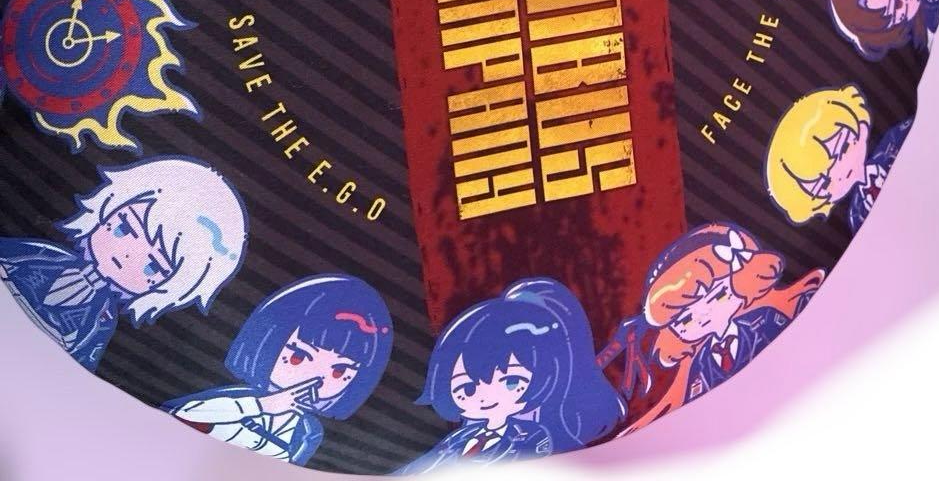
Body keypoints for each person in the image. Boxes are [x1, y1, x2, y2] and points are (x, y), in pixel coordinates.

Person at [0, 157, 248, 372]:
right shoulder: (48, 255)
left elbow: (85, 356)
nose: (127, 256)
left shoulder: (103, 318)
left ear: (166, 287)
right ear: (108, 207)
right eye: (123, 228)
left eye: (152, 266)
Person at [600, 224, 824, 432]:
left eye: (718, 295)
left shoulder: (769, 319)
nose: (702, 315)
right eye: (684, 320)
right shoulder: (697, 369)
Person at [164, 275, 393, 466]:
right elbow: (185, 414)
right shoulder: (240, 398)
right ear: (268, 341)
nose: (315, 379)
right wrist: (261, 406)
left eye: (339, 372)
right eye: (298, 356)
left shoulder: (307, 431)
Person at [405, 277, 625, 470]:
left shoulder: (531, 436)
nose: (485, 397)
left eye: (510, 382)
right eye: (468, 388)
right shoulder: (458, 439)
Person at [765, 85, 914, 232]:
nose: (840, 171)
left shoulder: (892, 142)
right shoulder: (857, 213)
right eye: (825, 183)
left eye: (844, 147)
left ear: (861, 127)